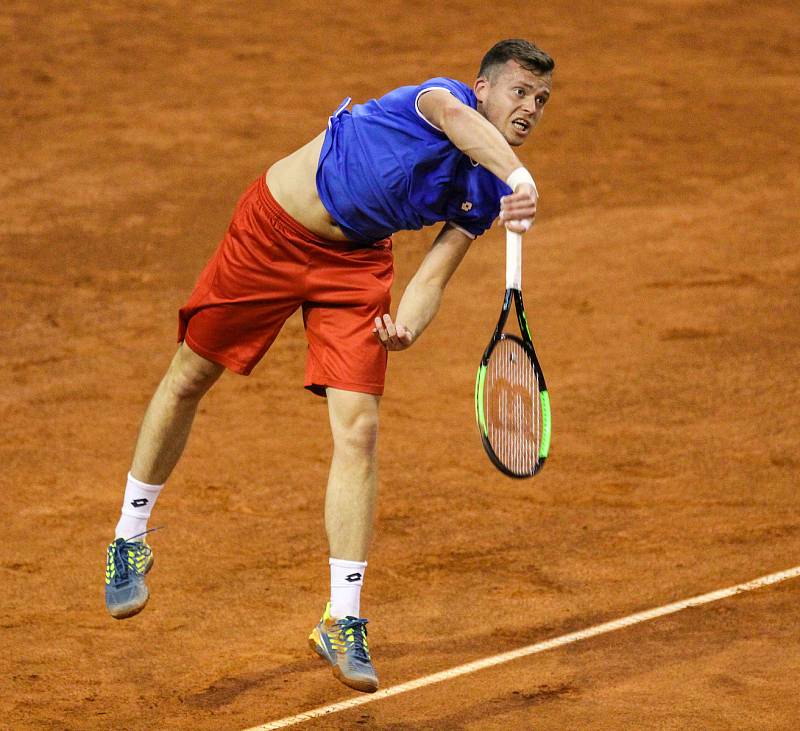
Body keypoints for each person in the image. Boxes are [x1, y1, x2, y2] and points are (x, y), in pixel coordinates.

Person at [103, 38, 554, 693]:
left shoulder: (487, 186)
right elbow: (462, 127)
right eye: (520, 91)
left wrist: (408, 325)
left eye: (541, 100)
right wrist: (520, 175)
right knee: (192, 375)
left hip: (356, 268)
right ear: (481, 89)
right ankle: (128, 536)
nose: (532, 107)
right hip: (272, 232)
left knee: (360, 428)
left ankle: (341, 618)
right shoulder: (437, 100)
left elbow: (436, 270)